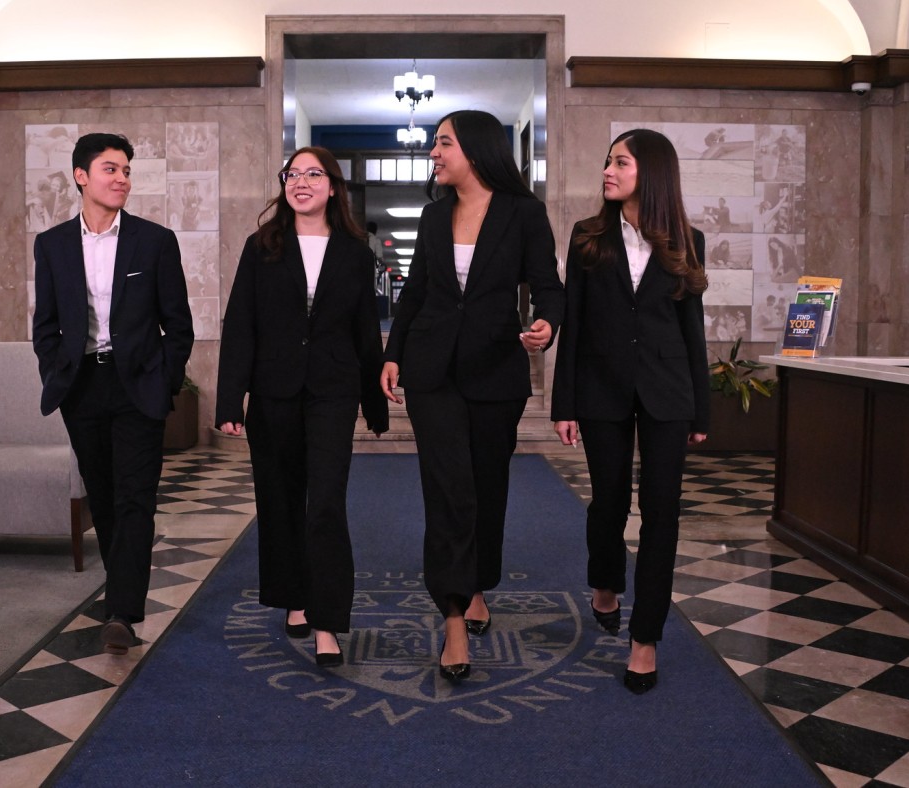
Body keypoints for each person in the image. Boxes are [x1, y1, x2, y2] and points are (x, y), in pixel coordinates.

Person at [380, 109, 565, 683]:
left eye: (444, 143)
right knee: (447, 489)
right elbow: (415, 293)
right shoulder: (434, 217)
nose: (434, 153)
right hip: (433, 372)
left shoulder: (524, 213)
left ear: (477, 150)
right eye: (433, 143)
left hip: (495, 373)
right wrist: (392, 353)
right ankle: (454, 617)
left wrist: (546, 326)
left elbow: (549, 287)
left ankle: (478, 581)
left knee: (486, 487)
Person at [550, 128, 709, 694]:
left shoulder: (687, 239)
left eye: (620, 162)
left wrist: (701, 411)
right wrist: (563, 402)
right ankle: (604, 578)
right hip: (600, 388)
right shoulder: (588, 236)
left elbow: (694, 331)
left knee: (662, 512)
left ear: (653, 172)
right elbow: (573, 325)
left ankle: (645, 640)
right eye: (607, 161)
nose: (608, 171)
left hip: (668, 392)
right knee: (610, 499)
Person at [216, 146, 389, 667]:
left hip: (332, 391)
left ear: (333, 187)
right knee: (281, 499)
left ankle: (329, 621)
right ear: (284, 185)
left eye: (314, 174)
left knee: (327, 503)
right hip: (274, 390)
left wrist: (373, 402)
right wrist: (231, 398)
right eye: (293, 174)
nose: (302, 182)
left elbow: (364, 329)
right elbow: (240, 324)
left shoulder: (356, 252)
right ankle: (293, 595)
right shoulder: (262, 245)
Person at [32, 132, 195, 655]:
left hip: (137, 386)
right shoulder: (52, 244)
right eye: (110, 169)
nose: (122, 178)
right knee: (101, 496)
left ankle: (122, 610)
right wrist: (54, 367)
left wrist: (165, 377)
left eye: (126, 170)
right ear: (82, 176)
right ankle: (119, 589)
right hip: (82, 384)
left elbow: (179, 324)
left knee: (134, 498)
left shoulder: (154, 241)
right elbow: (47, 323)